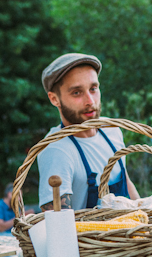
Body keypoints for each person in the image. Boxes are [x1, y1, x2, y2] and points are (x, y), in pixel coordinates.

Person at [38, 53, 139, 212]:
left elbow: (125, 182)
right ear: (54, 99)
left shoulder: (111, 130)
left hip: (127, 235)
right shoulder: (56, 150)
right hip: (85, 237)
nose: (90, 101)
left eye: (93, 89)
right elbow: (57, 224)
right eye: (77, 92)